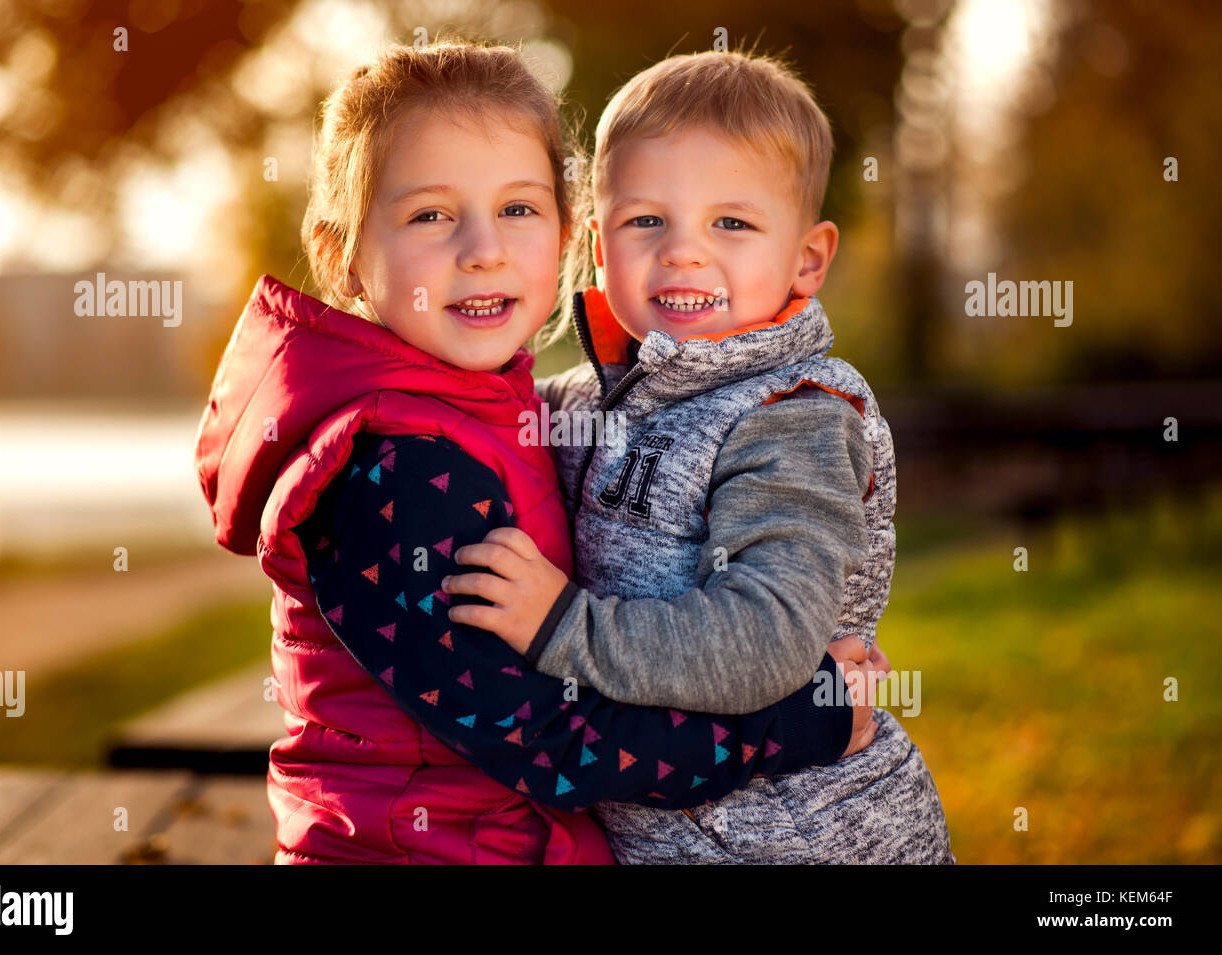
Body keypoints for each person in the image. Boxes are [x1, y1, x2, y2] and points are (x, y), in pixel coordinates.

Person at [195, 40, 869, 865]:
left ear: (563, 233)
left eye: (518, 207)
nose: (484, 248)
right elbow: (554, 742)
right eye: (430, 214)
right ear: (341, 256)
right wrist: (799, 722)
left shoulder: (512, 405)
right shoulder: (393, 468)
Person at [445, 50, 956, 864]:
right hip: (668, 829)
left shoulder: (791, 418)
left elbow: (768, 638)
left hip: (802, 834)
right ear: (598, 247)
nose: (684, 251)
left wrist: (565, 626)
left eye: (732, 222)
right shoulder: (577, 402)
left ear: (807, 259)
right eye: (648, 220)